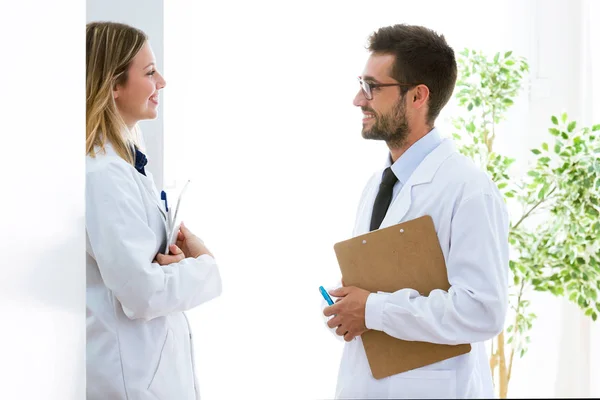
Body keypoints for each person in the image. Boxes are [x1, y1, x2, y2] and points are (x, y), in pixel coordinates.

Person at [322, 24, 509, 399]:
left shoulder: (469, 190)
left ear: (418, 96)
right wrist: (351, 311)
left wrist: (372, 310)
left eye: (373, 86)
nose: (359, 99)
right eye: (362, 84)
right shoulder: (377, 185)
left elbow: (482, 311)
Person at [86, 21, 222, 400]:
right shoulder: (102, 175)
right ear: (113, 85)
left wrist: (174, 264)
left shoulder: (126, 165)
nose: (161, 82)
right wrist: (204, 265)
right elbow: (142, 293)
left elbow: (141, 270)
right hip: (129, 383)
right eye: (149, 72)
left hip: (148, 377)